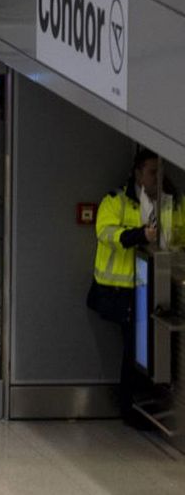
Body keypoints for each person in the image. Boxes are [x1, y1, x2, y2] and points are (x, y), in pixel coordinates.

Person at [90, 148, 182, 427]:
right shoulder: (116, 201)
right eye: (152, 172)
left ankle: (147, 402)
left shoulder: (172, 203)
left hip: (157, 286)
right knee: (135, 347)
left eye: (160, 172)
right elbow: (107, 234)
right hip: (121, 290)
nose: (157, 178)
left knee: (148, 346)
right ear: (138, 173)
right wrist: (139, 235)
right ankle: (131, 406)